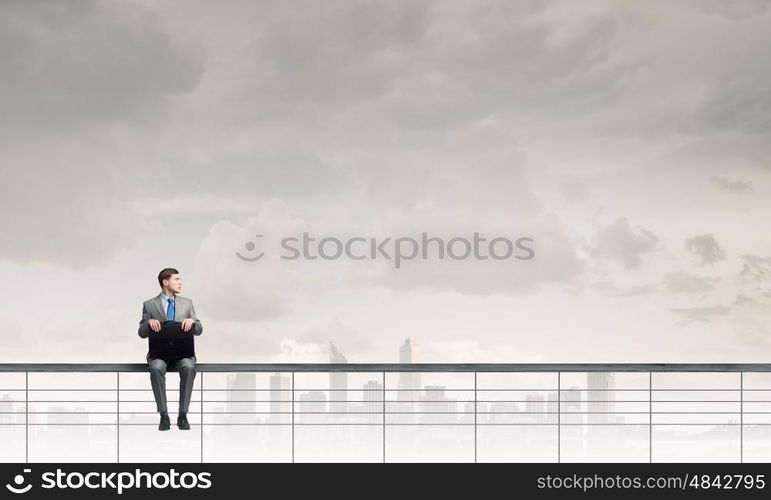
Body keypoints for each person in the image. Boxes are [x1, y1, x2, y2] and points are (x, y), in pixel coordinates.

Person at [138, 268, 203, 431]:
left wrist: (192, 321)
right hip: (160, 354)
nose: (180, 282)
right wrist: (148, 324)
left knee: (188, 367)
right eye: (177, 279)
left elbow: (200, 329)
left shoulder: (187, 303)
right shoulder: (149, 304)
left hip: (183, 354)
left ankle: (183, 414)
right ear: (165, 282)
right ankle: (164, 415)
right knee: (155, 367)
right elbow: (141, 333)